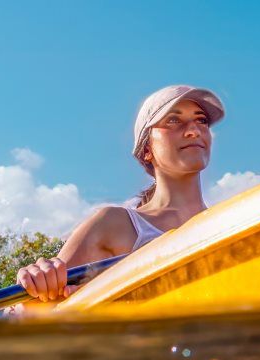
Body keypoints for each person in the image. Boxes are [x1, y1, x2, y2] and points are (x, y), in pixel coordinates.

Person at [14, 85, 225, 303]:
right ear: (147, 150)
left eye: (202, 121)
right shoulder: (115, 225)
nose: (194, 130)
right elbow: (37, 309)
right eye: (173, 120)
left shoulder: (229, 224)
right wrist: (38, 281)